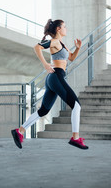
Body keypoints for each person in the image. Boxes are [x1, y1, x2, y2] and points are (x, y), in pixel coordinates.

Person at [11, 19, 88, 150]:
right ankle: (75, 138)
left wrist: (78, 48)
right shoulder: (55, 42)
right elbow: (37, 47)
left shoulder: (62, 44)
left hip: (53, 78)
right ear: (58, 29)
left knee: (43, 111)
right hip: (55, 76)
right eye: (64, 26)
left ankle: (20, 131)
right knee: (76, 106)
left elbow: (71, 58)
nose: (66, 29)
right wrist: (46, 64)